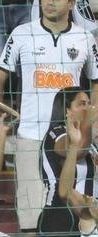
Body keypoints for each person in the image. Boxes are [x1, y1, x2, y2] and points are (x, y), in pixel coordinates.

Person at [0, 0, 98, 230]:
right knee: (30, 220)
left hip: (71, 140)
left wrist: (93, 120)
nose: (49, 3)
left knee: (81, 215)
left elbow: (96, 81)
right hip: (31, 137)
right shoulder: (22, 34)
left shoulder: (85, 39)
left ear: (70, 3)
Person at [37, 86, 97, 236]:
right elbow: (79, 149)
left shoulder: (91, 142)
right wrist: (89, 122)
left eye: (89, 103)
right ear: (67, 111)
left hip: (87, 217)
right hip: (60, 217)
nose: (88, 108)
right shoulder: (56, 133)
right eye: (82, 104)